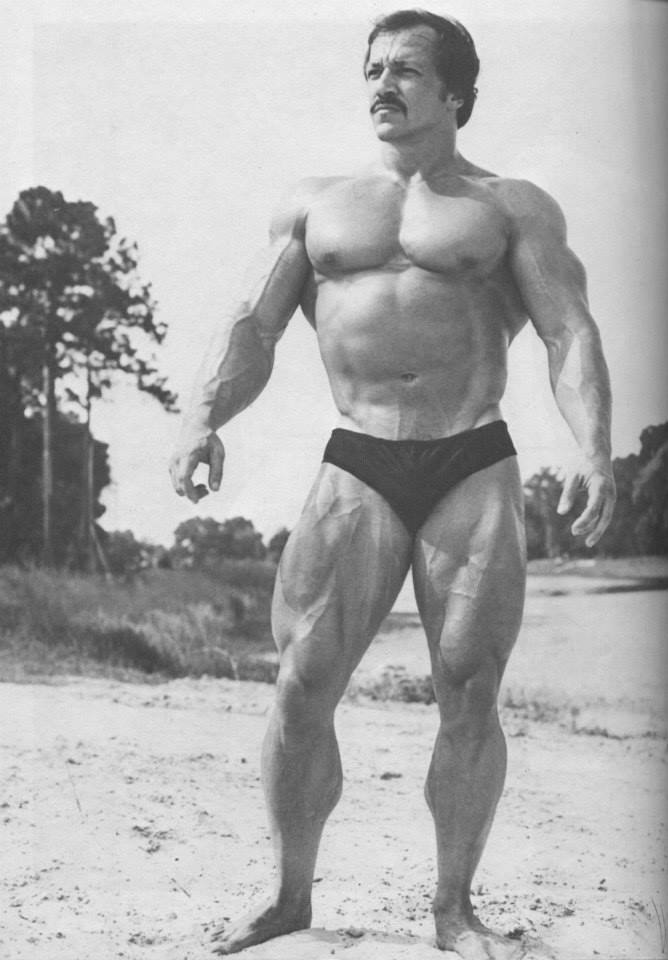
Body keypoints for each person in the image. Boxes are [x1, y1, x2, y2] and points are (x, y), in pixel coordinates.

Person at [169, 10, 616, 958]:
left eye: (406, 69)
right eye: (373, 67)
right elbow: (252, 326)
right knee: (302, 684)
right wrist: (201, 417)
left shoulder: (510, 206)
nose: (382, 82)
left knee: (470, 689)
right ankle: (289, 895)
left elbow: (568, 330)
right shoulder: (317, 206)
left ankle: (454, 909)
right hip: (359, 457)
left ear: (455, 93)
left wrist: (592, 448)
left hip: (471, 458)